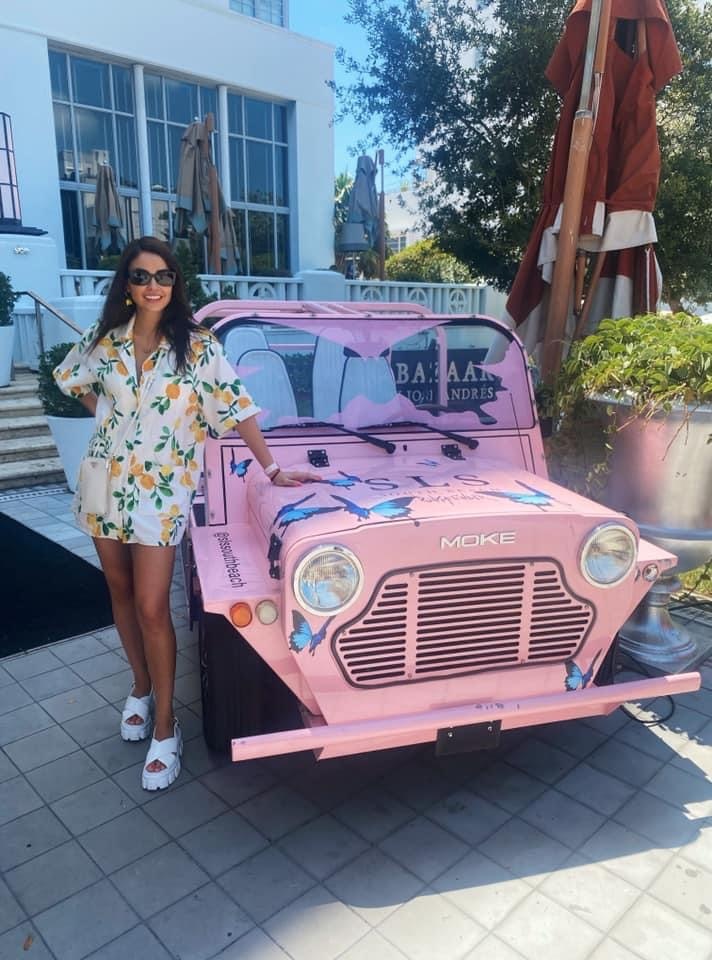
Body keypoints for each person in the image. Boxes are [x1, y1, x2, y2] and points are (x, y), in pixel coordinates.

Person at [53, 236, 316, 791]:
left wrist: (272, 469)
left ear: (175, 284)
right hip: (103, 483)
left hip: (160, 493)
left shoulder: (198, 347)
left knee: (152, 605)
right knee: (119, 592)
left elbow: (238, 407)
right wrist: (109, 419)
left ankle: (166, 725)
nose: (153, 286)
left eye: (164, 276)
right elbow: (70, 377)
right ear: (127, 285)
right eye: (142, 276)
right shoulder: (107, 339)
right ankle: (141, 688)